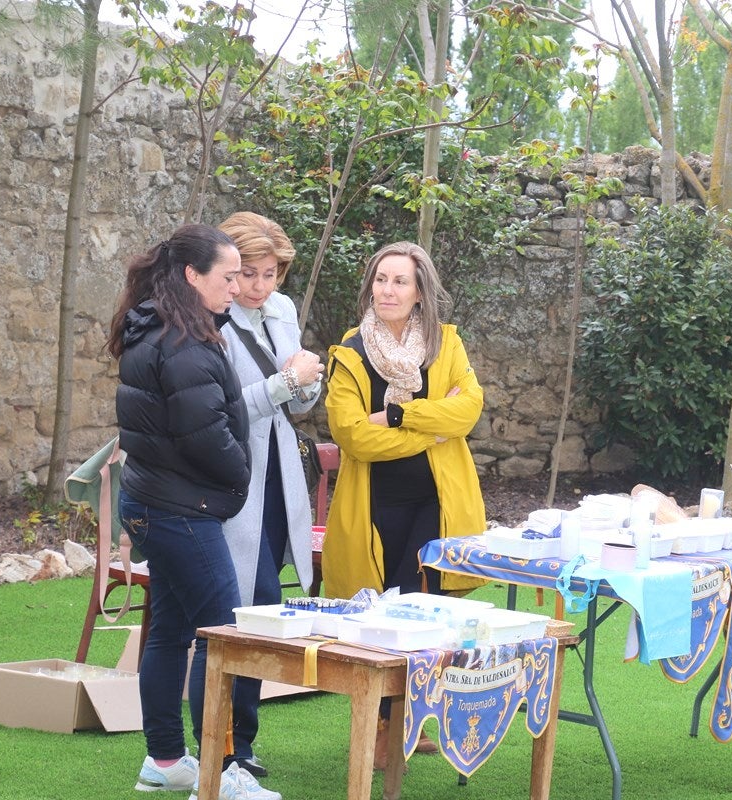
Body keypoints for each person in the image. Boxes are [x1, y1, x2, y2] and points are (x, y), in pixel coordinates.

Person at [107, 224, 280, 800]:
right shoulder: (182, 341)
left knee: (172, 630)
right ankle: (220, 770)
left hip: (155, 501)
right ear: (192, 275)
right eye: (228, 276)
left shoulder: (161, 325)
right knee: (223, 635)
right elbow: (206, 435)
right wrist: (240, 473)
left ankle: (163, 761)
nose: (236, 287)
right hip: (180, 509)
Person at [323, 241, 487, 768]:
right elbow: (352, 436)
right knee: (381, 616)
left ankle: (408, 724)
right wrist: (428, 425)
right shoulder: (350, 351)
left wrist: (395, 417)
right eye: (381, 279)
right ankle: (378, 728)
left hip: (437, 505)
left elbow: (468, 411)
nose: (388, 290)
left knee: (423, 609)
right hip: (374, 506)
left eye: (400, 282)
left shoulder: (446, 345)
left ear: (419, 293)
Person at [215, 212, 323, 779]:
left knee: (266, 605)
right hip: (235, 477)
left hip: (281, 476)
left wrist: (306, 381)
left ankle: (245, 744)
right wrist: (287, 381)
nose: (259, 286)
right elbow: (230, 406)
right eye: (249, 274)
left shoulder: (281, 310)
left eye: (271, 274)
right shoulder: (213, 315)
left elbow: (298, 405)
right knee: (243, 602)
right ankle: (223, 745)